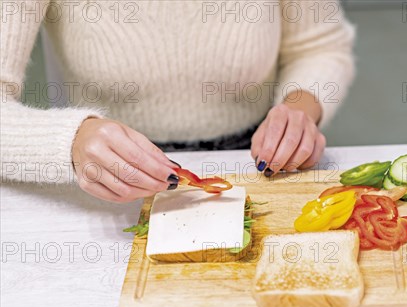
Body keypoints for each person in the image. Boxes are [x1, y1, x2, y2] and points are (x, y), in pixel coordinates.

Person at [1, 0, 355, 203]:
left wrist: (300, 106)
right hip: (106, 187)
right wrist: (71, 141)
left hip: (258, 166)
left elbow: (319, 46)